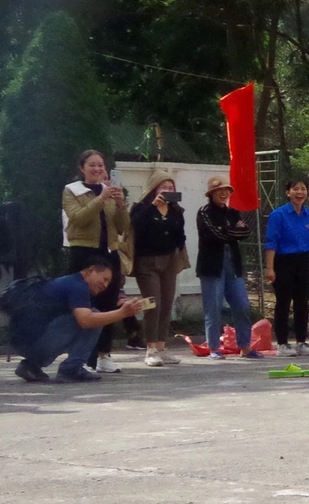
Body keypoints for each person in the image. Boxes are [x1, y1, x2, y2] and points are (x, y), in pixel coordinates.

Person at [12, 253, 149, 383]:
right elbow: (86, 321)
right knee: (93, 316)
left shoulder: (69, 282)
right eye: (105, 279)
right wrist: (123, 313)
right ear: (91, 271)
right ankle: (71, 368)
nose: (105, 285)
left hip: (24, 340)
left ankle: (31, 366)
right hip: (34, 341)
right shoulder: (78, 286)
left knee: (90, 316)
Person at [63, 149, 133, 373]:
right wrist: (101, 200)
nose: (97, 170)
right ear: (82, 168)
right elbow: (79, 218)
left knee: (108, 304)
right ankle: (83, 358)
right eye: (92, 165)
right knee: (85, 306)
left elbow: (123, 227)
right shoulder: (71, 191)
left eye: (101, 166)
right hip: (84, 253)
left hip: (109, 252)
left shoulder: (111, 191)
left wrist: (121, 205)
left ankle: (104, 355)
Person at [128, 173, 187, 367]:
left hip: (169, 259)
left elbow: (180, 234)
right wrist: (153, 206)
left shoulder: (176, 210)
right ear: (154, 188)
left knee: (167, 303)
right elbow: (136, 226)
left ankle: (162, 347)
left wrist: (177, 248)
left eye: (171, 188)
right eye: (164, 187)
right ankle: (150, 348)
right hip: (147, 261)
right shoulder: (141, 208)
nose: (168, 191)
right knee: (153, 304)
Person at [262, 176, 309, 356]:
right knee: (283, 302)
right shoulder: (278, 215)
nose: (300, 192)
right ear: (288, 192)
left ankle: (302, 342)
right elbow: (271, 243)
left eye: (303, 189)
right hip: (283, 261)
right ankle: (282, 343)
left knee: (302, 303)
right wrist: (270, 268)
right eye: (295, 189)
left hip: (303, 262)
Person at [194, 175, 253, 359]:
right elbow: (214, 235)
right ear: (211, 193)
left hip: (233, 265)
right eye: (220, 190)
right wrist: (230, 232)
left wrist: (226, 230)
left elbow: (245, 232)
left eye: (227, 190)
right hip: (211, 266)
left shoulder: (233, 213)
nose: (224, 193)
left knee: (242, 306)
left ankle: (245, 347)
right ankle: (214, 348)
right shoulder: (204, 212)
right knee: (213, 308)